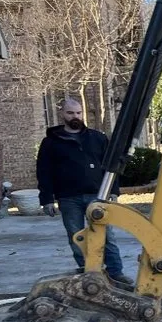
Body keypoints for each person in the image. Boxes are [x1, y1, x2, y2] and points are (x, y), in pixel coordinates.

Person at [36, 98, 133, 288]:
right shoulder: (51, 143)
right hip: (68, 198)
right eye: (71, 113)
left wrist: (113, 191)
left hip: (97, 195)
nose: (75, 117)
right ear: (62, 114)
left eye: (79, 113)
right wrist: (47, 199)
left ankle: (116, 273)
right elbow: (44, 172)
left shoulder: (97, 138)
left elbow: (111, 166)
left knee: (106, 235)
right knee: (77, 236)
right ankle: (89, 273)